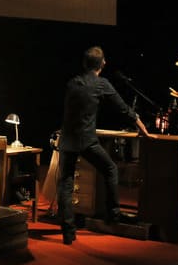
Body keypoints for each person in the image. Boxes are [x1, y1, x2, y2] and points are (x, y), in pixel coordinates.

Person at [56, 46, 149, 245]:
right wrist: (141, 126)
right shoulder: (101, 84)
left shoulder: (72, 83)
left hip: (67, 140)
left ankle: (68, 232)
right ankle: (113, 213)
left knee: (66, 184)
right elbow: (123, 109)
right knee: (110, 169)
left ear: (84, 63)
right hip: (86, 141)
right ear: (103, 64)